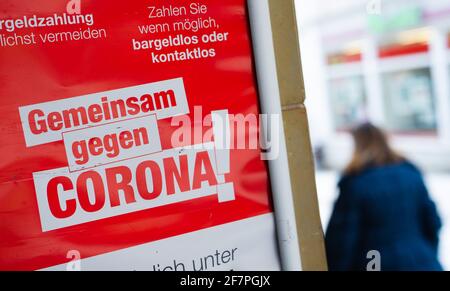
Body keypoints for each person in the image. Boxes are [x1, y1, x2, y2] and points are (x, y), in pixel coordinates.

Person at [325, 123, 442, 271]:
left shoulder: (355, 184)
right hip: (423, 262)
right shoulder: (411, 175)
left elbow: (341, 241)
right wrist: (425, 254)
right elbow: (433, 222)